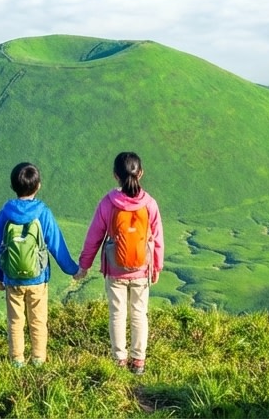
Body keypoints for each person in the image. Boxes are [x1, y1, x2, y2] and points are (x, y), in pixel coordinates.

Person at [74, 151, 164, 375]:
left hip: (115, 270)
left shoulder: (108, 203)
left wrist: (84, 265)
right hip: (142, 269)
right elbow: (158, 237)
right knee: (139, 313)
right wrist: (157, 266)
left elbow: (94, 236)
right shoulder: (149, 204)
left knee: (117, 313)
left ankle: (119, 359)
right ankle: (139, 361)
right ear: (141, 173)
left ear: (115, 175)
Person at [0, 161, 80, 367]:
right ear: (38, 185)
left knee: (15, 321)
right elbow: (56, 244)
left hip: (12, 278)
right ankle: (38, 359)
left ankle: (17, 360)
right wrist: (73, 269)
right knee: (38, 320)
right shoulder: (43, 212)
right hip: (38, 279)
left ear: (13, 186)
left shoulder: (5, 213)